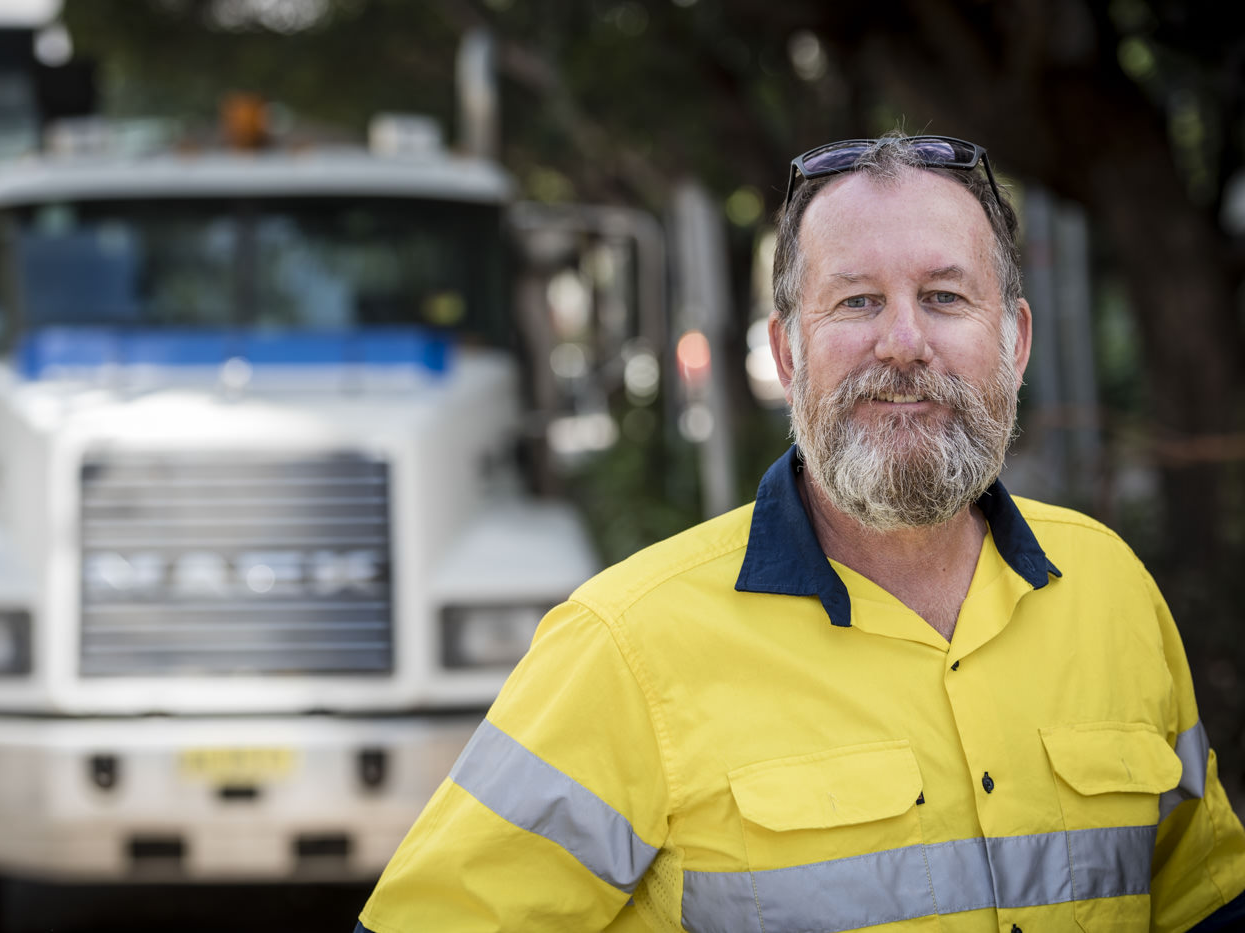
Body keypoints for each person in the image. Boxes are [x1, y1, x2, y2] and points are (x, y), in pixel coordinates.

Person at [354, 133, 1245, 932]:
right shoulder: (624, 649)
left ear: (1013, 340)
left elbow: (1202, 895)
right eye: (856, 302)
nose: (903, 341)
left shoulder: (1112, 588)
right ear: (787, 354)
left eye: (943, 295)